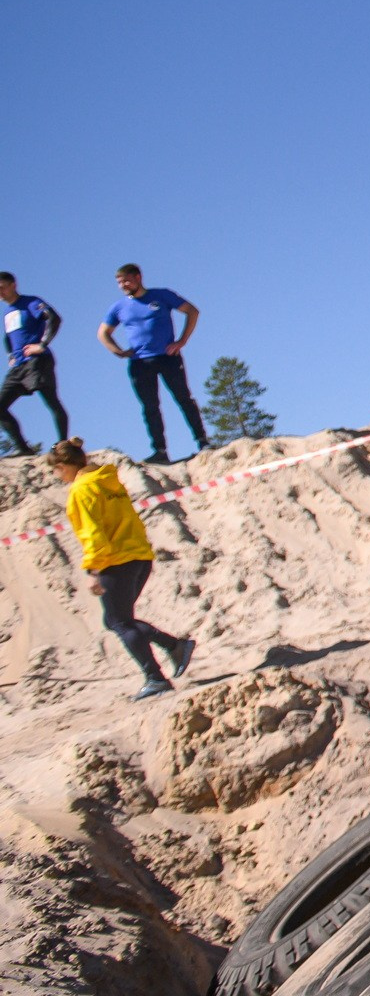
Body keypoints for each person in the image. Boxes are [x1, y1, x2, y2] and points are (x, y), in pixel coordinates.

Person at [48, 438, 196, 699]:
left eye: (55, 470)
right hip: (139, 554)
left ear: (64, 465)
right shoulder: (107, 480)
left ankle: (157, 676)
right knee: (117, 619)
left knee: (119, 621)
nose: (56, 476)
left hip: (116, 560)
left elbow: (94, 534)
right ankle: (174, 646)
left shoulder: (81, 490)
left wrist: (93, 570)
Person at [96, 265, 206, 464]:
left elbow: (192, 311)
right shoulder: (119, 307)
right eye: (120, 283)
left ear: (138, 277)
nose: (123, 285)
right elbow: (103, 332)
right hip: (140, 362)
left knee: (184, 398)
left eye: (126, 281)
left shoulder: (161, 295)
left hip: (167, 357)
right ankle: (160, 451)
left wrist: (182, 341)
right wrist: (118, 351)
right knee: (150, 407)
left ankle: (203, 441)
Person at [0, 272, 69, 456]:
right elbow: (8, 338)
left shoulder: (30, 302)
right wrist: (10, 355)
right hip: (18, 367)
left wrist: (43, 344)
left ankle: (63, 446)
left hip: (37, 362)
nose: (0, 293)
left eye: (2, 287)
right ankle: (24, 449)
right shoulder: (7, 313)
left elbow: (54, 318)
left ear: (13, 285)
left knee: (51, 401)